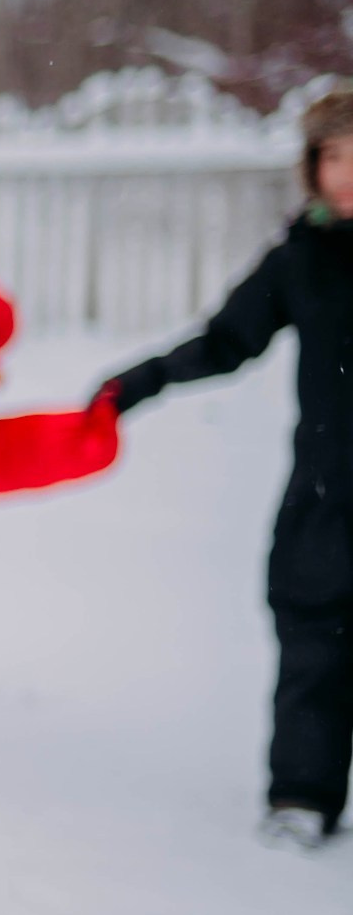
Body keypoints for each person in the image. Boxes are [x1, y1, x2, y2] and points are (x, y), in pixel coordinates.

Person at [93, 84, 353, 852]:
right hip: (327, 486)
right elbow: (225, 339)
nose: (344, 175)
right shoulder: (302, 256)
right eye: (331, 156)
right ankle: (302, 794)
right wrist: (139, 380)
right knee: (313, 634)